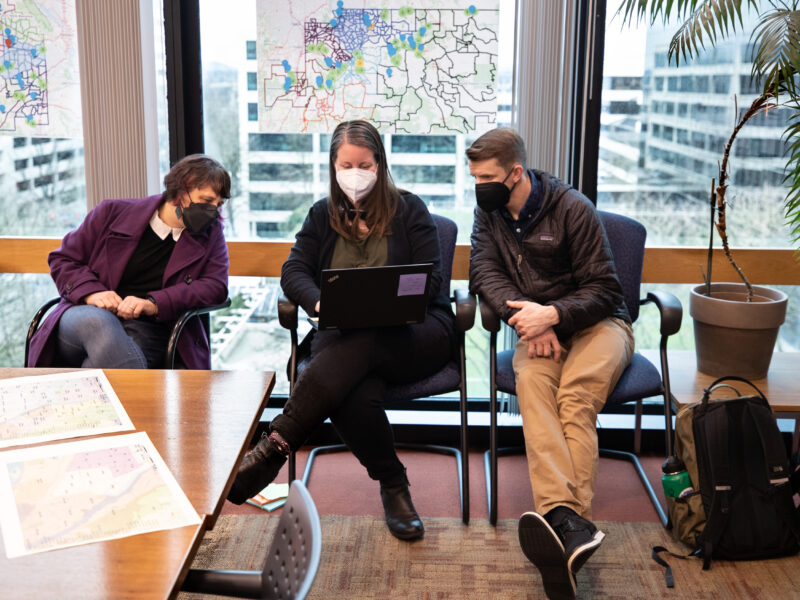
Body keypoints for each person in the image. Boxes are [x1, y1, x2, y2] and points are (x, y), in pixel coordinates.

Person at [227, 120, 455, 541]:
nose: (356, 172)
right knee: (353, 389)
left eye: (364, 164)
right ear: (333, 165)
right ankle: (394, 485)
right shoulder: (321, 215)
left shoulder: (411, 210)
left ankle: (277, 443)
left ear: (380, 164)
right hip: (345, 337)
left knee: (353, 352)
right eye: (346, 164)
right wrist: (319, 303)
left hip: (416, 333)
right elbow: (293, 270)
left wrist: (389, 300)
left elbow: (433, 282)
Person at [467, 128, 634, 599]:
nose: (480, 187)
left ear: (516, 173)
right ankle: (570, 527)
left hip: (600, 325)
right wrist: (528, 318)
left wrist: (554, 314)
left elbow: (606, 290)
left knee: (575, 398)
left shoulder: (571, 207)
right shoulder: (491, 214)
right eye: (475, 177)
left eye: (487, 177)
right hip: (536, 331)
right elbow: (484, 272)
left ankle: (564, 522)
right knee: (535, 393)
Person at [27, 154, 230, 370]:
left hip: (150, 328)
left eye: (219, 204)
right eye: (207, 201)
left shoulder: (212, 233)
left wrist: (154, 304)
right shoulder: (111, 212)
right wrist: (92, 293)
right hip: (85, 317)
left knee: (115, 360)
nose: (213, 211)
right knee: (99, 324)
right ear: (180, 191)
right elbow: (63, 259)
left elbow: (215, 286)